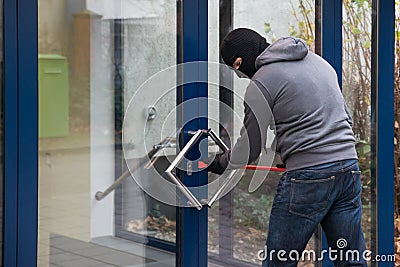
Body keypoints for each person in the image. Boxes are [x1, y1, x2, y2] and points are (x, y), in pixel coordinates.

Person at [206, 28, 367, 266]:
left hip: (309, 178)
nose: (240, 75)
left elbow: (249, 150)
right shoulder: (318, 62)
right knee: (351, 260)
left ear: (241, 60)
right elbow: (345, 118)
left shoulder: (261, 83)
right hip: (348, 170)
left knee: (279, 261)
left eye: (236, 67)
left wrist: (217, 162)